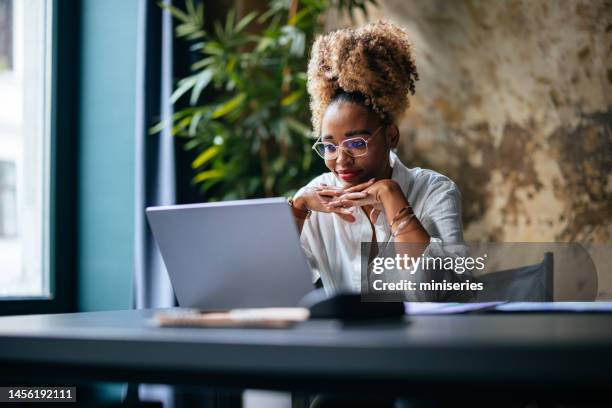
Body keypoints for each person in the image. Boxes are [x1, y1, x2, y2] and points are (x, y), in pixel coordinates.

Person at [289, 21, 464, 296]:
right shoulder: (317, 198)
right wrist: (297, 210)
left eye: (356, 143)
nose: (341, 161)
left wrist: (394, 200)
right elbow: (266, 290)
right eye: (329, 146)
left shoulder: (434, 191)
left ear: (391, 136)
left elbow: (441, 294)